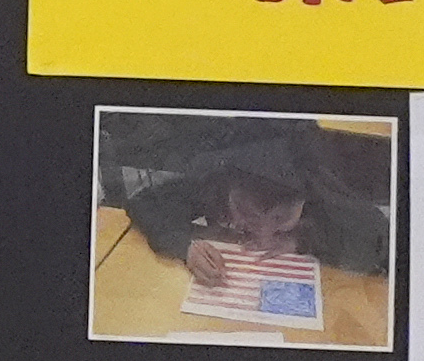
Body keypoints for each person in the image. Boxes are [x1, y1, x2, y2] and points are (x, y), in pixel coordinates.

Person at [118, 124, 386, 292]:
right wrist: (186, 246)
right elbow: (145, 204)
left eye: (280, 218)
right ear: (229, 187)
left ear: (305, 201)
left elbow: (381, 240)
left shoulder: (320, 194)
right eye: (248, 214)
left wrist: (304, 239)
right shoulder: (214, 185)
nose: (263, 235)